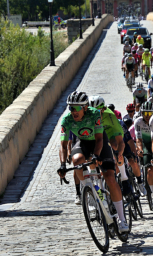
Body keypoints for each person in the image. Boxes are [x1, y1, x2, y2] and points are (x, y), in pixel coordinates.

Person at [57, 91, 129, 233]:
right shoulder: (67, 119)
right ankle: (88, 190)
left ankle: (122, 219)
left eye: (76, 108)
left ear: (85, 107)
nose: (73, 111)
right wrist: (62, 165)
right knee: (76, 160)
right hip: (83, 142)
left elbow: (100, 139)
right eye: (71, 108)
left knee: (109, 177)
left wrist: (96, 156)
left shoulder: (95, 114)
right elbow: (63, 145)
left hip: (99, 142)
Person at [134, 101, 153, 205]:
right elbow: (139, 139)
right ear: (142, 113)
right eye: (145, 114)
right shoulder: (138, 122)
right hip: (146, 144)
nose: (148, 116)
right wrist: (139, 149)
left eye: (150, 114)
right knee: (149, 170)